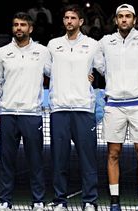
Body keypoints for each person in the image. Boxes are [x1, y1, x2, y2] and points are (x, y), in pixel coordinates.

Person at [95, 4, 138, 211]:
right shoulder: (105, 42)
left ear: (134, 20)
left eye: (128, 16)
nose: (124, 20)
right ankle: (114, 202)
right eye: (120, 16)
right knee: (113, 152)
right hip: (114, 104)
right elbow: (99, 65)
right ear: (115, 20)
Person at [0, 12, 49, 211]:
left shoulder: (43, 52)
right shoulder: (1, 53)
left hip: (32, 115)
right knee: (7, 162)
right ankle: (5, 201)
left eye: (23, 25)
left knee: (36, 162)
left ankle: (38, 200)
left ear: (30, 28)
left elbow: (57, 73)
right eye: (16, 25)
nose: (19, 28)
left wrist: (87, 78)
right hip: (7, 115)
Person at [45, 4, 102, 211]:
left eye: (73, 18)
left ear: (81, 22)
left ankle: (89, 201)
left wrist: (92, 79)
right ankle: (60, 200)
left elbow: (103, 68)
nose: (69, 21)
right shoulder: (52, 45)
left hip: (83, 109)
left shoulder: (93, 45)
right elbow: (47, 70)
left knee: (88, 161)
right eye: (66, 18)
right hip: (59, 109)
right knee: (59, 160)